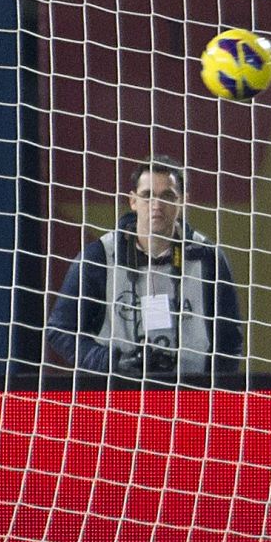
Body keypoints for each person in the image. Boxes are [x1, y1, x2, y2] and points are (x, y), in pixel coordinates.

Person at [45, 155, 243, 383]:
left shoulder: (208, 257)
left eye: (168, 196)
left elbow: (230, 340)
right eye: (147, 195)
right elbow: (59, 330)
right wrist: (112, 362)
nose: (157, 205)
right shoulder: (100, 257)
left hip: (192, 396)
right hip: (119, 395)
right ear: (132, 201)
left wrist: (212, 387)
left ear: (183, 201)